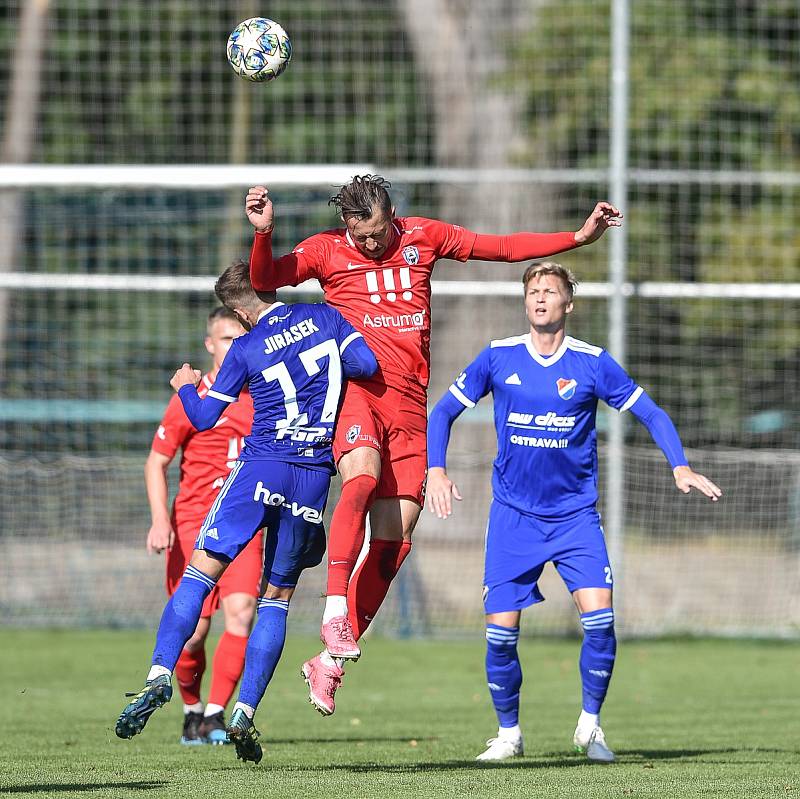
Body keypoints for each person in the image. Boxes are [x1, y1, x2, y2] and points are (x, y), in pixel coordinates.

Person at [244, 175, 623, 715]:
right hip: (356, 391)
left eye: (377, 233)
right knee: (361, 477)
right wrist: (264, 233)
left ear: (392, 214)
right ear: (346, 225)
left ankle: (327, 663)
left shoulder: (423, 237)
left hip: (408, 406)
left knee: (395, 540)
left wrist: (578, 238)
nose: (371, 245)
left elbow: (503, 247)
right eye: (361, 235)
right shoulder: (325, 250)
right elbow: (266, 280)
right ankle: (333, 610)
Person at [426, 261, 722, 763]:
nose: (540, 298)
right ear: (525, 302)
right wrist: (436, 469)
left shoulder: (592, 363)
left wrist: (680, 466)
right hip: (513, 518)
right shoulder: (499, 357)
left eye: (550, 291)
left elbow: (649, 411)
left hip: (575, 518)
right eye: (533, 291)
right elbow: (443, 412)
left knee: (601, 623)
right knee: (500, 636)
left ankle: (590, 726)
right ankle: (509, 735)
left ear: (569, 304)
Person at [115, 260, 378, 764]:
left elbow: (205, 416)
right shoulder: (323, 317)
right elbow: (365, 364)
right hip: (312, 475)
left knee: (199, 575)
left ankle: (158, 676)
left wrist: (185, 386)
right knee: (275, 599)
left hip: (261, 467)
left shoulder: (246, 348)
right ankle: (245, 711)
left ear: (238, 309)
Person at [145, 306, 263, 745]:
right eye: (225, 339)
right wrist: (161, 520)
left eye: (240, 338)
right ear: (210, 345)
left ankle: (216, 716)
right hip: (194, 522)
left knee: (243, 612)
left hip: (244, 522)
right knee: (193, 634)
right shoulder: (192, 396)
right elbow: (156, 462)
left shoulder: (264, 392)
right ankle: (192, 711)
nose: (234, 346)